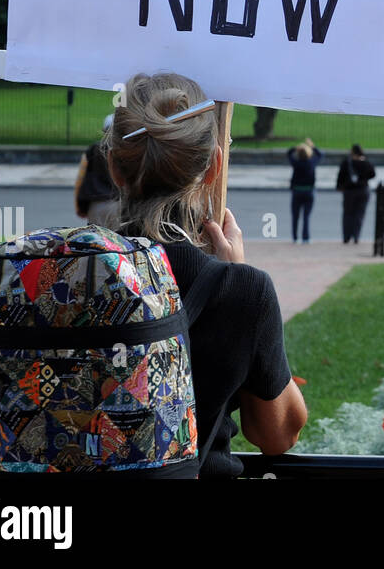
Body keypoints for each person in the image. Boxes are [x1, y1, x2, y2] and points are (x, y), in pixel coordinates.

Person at [105, 71, 307, 478]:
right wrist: (237, 278)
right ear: (215, 165)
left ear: (113, 167)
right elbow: (276, 435)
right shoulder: (241, 289)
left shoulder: (66, 270)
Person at [74, 113, 119, 226]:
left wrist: (80, 206)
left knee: (97, 242)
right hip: (119, 203)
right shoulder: (126, 149)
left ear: (104, 130)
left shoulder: (93, 150)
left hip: (96, 204)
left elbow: (81, 178)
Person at [335, 143, 376, 245]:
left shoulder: (347, 163)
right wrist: (363, 179)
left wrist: (340, 186)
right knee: (359, 214)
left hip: (349, 191)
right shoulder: (366, 162)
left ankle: (346, 236)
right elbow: (373, 174)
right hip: (362, 190)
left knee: (348, 214)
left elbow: (340, 175)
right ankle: (356, 236)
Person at [287, 138, 322, 243]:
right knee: (306, 216)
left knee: (295, 216)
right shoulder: (311, 163)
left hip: (297, 191)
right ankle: (305, 238)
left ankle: (295, 237)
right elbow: (320, 154)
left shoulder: (296, 163)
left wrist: (296, 148)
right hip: (309, 191)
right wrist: (312, 146)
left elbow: (289, 153)